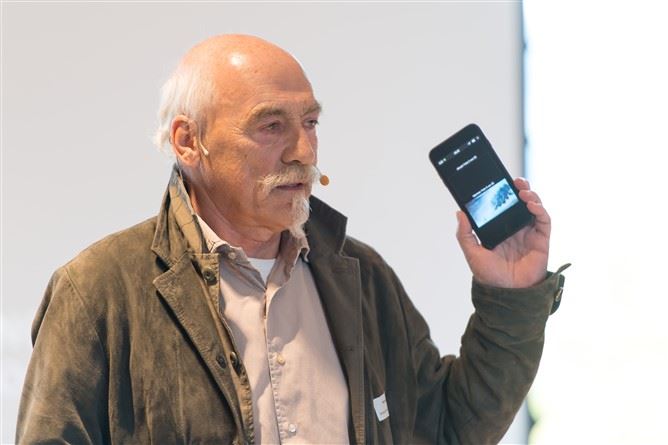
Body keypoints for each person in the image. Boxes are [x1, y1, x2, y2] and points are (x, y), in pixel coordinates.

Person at [16, 34, 567, 444]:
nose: (303, 151)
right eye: (271, 126)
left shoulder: (360, 276)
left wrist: (511, 295)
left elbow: (447, 429)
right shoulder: (98, 290)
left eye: (310, 123)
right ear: (188, 142)